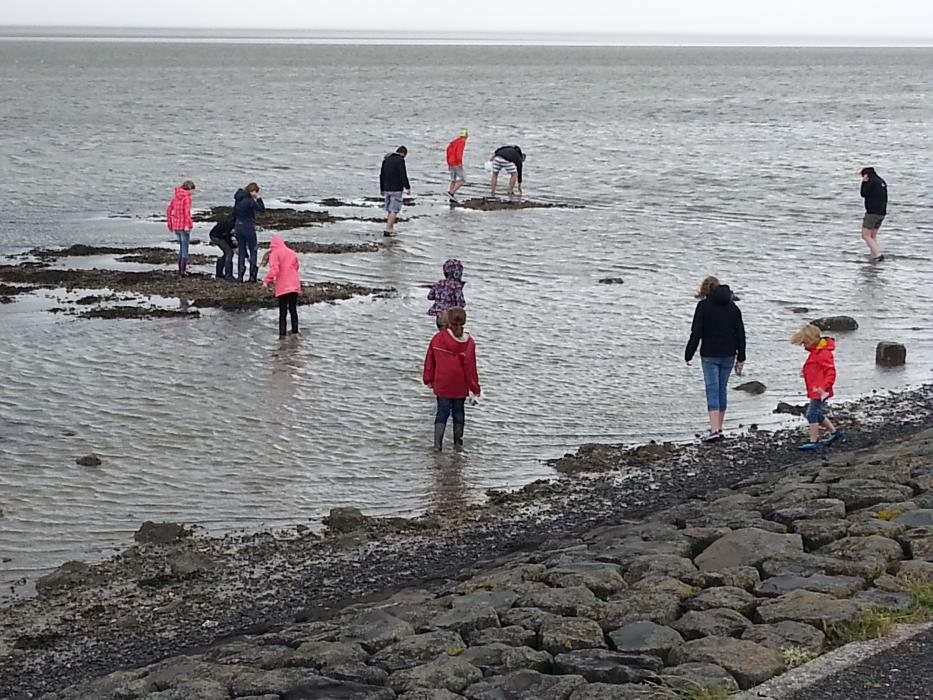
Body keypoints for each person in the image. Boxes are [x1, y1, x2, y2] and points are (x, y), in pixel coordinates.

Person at [684, 276, 747, 442]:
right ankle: (718, 427)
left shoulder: (703, 306)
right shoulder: (733, 307)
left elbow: (696, 332)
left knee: (712, 389)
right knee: (721, 389)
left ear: (705, 290)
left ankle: (714, 430)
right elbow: (740, 333)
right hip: (729, 354)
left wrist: (688, 354)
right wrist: (741, 357)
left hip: (710, 354)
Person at [423, 307, 481, 451]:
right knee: (458, 412)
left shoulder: (438, 339)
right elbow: (470, 368)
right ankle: (457, 444)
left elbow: (429, 361)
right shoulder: (470, 342)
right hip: (460, 385)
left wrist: (428, 379)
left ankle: (437, 445)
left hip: (442, 383)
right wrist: (475, 388)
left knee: (442, 412)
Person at [791, 324, 843, 450]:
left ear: (811, 340)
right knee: (816, 413)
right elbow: (814, 366)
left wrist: (824, 387)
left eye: (805, 343)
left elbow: (831, 372)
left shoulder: (823, 353)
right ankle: (835, 433)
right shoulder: (816, 352)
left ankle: (814, 441)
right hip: (816, 389)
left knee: (811, 414)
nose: (804, 346)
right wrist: (806, 372)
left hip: (820, 390)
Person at [262, 235, 301, 337]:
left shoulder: (274, 254)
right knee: (293, 310)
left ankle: (282, 336)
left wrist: (266, 280)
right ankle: (295, 332)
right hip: (294, 284)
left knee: (282, 313)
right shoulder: (292, 252)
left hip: (283, 286)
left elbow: (275, 269)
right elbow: (296, 267)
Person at [234, 182, 265, 283]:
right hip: (248, 227)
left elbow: (234, 213)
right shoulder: (249, 201)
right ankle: (252, 276)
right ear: (253, 191)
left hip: (238, 226)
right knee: (253, 250)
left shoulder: (238, 199)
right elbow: (261, 210)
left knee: (242, 250)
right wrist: (259, 199)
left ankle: (240, 276)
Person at [165, 180, 196, 277]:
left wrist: (170, 223)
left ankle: (180, 270)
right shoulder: (187, 198)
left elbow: (169, 209)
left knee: (181, 248)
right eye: (193, 190)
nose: (193, 193)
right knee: (185, 248)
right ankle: (182, 271)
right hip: (184, 226)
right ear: (190, 189)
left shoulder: (176, 197)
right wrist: (188, 225)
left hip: (176, 225)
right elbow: (187, 212)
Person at [379, 146, 411, 237]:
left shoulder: (386, 160)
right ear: (404, 153)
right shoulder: (400, 161)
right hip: (396, 188)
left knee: (389, 209)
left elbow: (382, 175)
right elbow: (403, 174)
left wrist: (382, 188)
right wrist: (407, 187)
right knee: (394, 209)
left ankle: (390, 227)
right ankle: (388, 229)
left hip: (387, 188)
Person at [427, 259, 466, 330]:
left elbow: (430, 297)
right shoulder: (457, 286)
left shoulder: (439, 283)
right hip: (450, 318)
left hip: (439, 317)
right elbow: (461, 304)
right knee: (450, 336)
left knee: (442, 334)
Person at [859, 167, 888, 261]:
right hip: (882, 212)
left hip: (872, 212)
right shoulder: (881, 181)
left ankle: (878, 255)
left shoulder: (871, 182)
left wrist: (864, 182)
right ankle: (873, 255)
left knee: (865, 235)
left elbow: (863, 193)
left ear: (866, 175)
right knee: (872, 235)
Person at [208, 216, 236, 280]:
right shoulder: (230, 225)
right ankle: (228, 274)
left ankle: (219, 272)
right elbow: (227, 236)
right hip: (216, 236)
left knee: (226, 253)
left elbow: (227, 236)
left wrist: (232, 245)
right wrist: (232, 246)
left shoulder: (230, 223)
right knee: (229, 252)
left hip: (215, 234)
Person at [446, 130, 468, 202]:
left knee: (453, 180)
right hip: (456, 163)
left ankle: (451, 198)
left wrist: (448, 161)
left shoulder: (454, 141)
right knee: (463, 180)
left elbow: (448, 150)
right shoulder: (462, 141)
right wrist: (459, 162)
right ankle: (451, 193)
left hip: (450, 162)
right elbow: (459, 152)